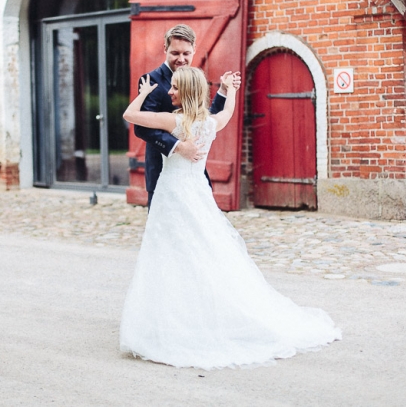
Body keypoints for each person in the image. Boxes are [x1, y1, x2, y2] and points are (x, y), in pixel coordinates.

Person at [119, 66, 341, 370]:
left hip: (172, 196)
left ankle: (178, 322)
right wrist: (230, 89)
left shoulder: (175, 121)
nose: (169, 92)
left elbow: (129, 116)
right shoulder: (210, 123)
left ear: (186, 93)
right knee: (205, 253)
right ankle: (198, 316)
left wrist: (143, 95)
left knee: (169, 255)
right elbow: (228, 114)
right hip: (197, 193)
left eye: (174, 89)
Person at [133, 24, 240, 209]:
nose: (181, 59)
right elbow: (142, 128)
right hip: (162, 171)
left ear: (194, 50)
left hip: (194, 175)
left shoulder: (194, 78)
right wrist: (179, 146)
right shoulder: (151, 80)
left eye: (186, 53)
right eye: (175, 53)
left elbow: (204, 119)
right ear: (165, 49)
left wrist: (223, 91)